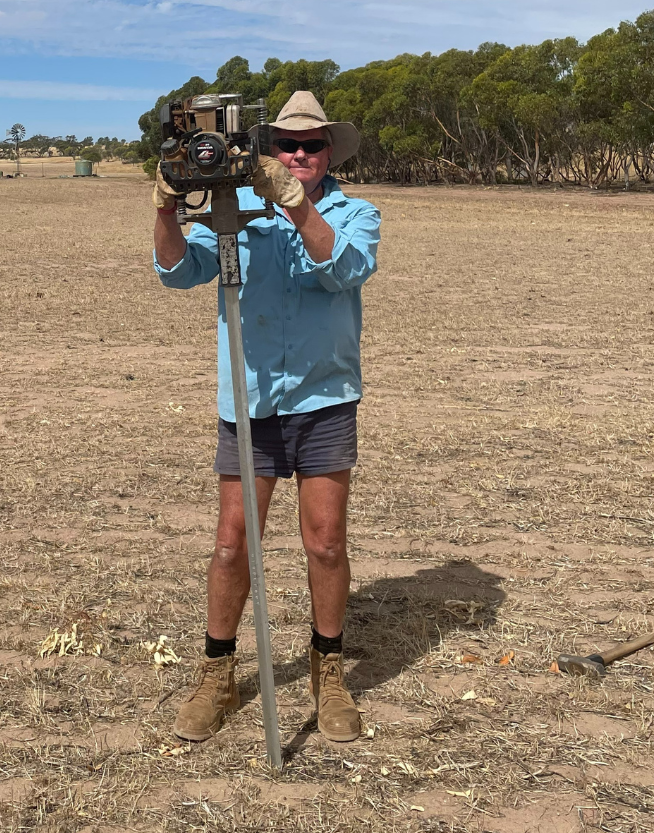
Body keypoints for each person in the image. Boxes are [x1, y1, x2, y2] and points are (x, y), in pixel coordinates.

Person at [151, 91, 380, 743]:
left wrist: (294, 200)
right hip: (248, 403)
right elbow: (175, 269)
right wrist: (166, 206)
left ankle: (327, 670)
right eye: (287, 145)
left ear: (329, 152)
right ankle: (217, 672)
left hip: (323, 397)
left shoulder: (355, 213)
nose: (299, 154)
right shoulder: (233, 211)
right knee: (231, 543)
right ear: (268, 147)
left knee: (326, 541)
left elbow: (343, 267)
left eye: (311, 145)